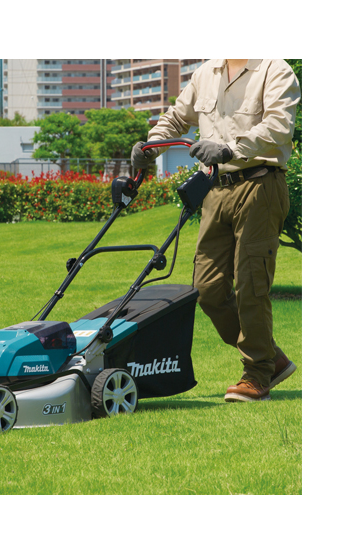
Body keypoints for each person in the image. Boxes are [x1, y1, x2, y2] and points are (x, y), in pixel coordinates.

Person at [131, 59, 301, 402]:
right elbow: (176, 117)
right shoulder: (205, 73)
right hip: (215, 188)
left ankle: (258, 372)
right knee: (207, 288)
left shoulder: (275, 70)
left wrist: (230, 148)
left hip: (260, 185)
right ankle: (272, 358)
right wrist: (152, 145)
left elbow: (279, 126)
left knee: (251, 283)